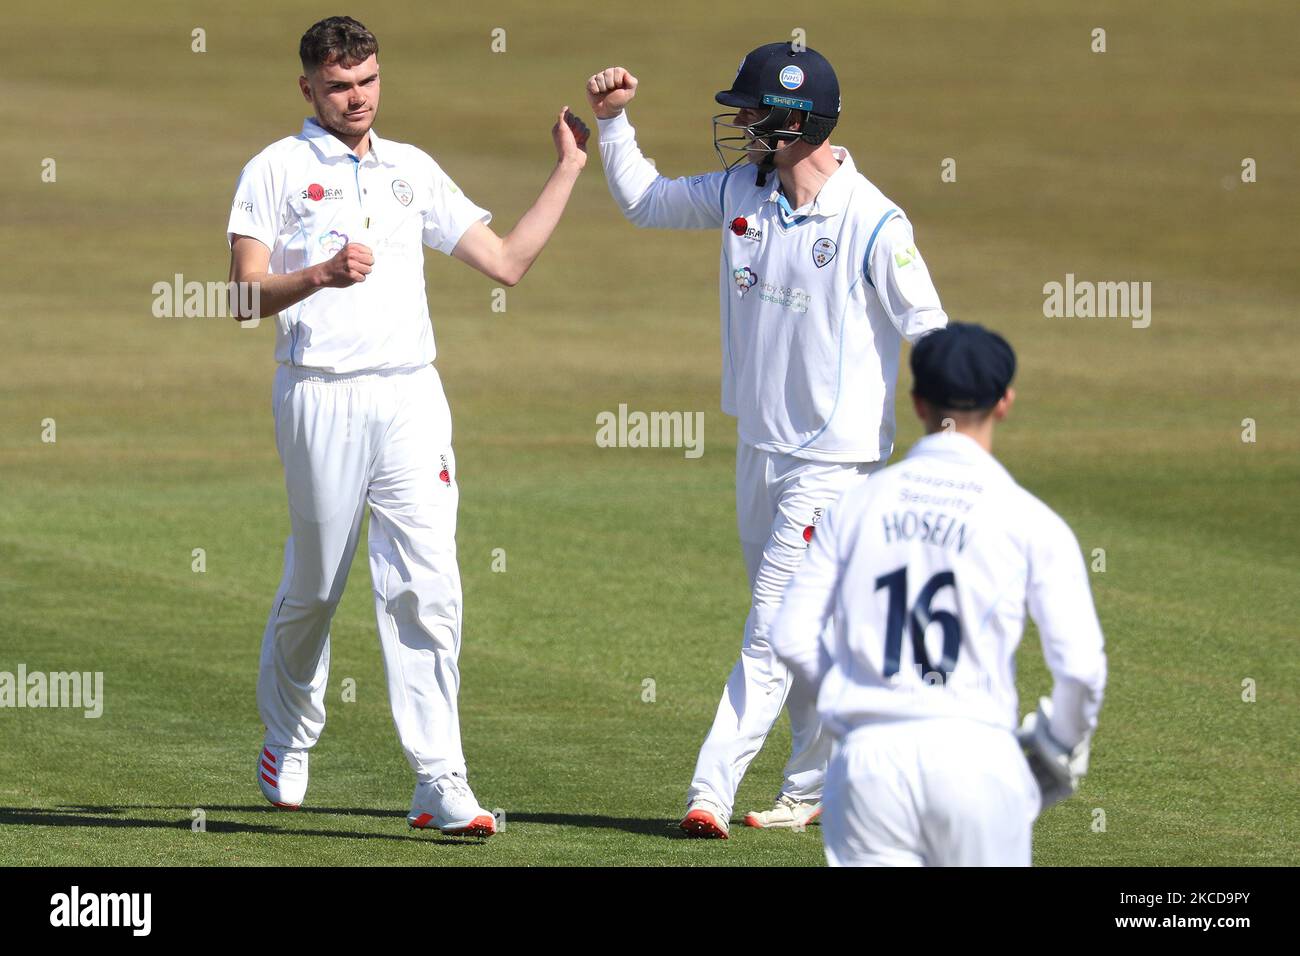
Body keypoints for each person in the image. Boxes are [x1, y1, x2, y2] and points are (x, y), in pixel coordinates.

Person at [226, 15, 589, 836]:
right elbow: (242, 297)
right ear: (309, 88)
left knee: (429, 586)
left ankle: (441, 778)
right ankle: (289, 732)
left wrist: (567, 168)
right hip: (319, 393)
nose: (358, 100)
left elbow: (506, 262)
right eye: (341, 86)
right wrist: (318, 275)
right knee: (316, 586)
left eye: (369, 82)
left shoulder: (410, 170)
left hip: (411, 396)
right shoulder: (275, 169)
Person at [586, 42, 949, 838]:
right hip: (760, 448)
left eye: (752, 110)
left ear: (796, 120)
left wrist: (950, 446)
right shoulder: (744, 188)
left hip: (836, 462)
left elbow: (933, 331)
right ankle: (818, 785)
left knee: (773, 628)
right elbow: (647, 201)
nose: (740, 122)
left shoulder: (873, 222)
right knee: (806, 632)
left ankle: (708, 792)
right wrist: (613, 125)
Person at [771, 323, 1108, 865]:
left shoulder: (856, 506)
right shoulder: (1031, 520)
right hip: (978, 759)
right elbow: (1083, 668)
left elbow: (790, 633)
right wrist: (1061, 745)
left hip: (869, 763)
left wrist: (849, 704)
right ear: (1004, 403)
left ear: (917, 401)